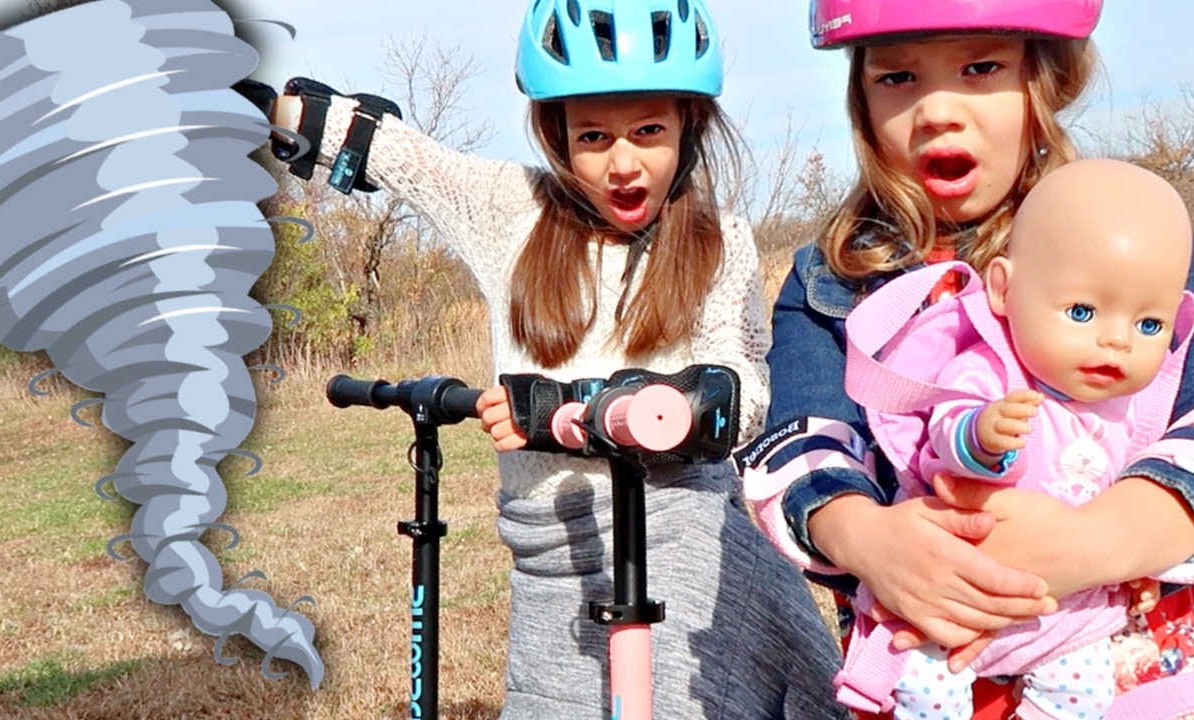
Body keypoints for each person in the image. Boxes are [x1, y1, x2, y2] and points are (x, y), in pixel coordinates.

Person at [269, 0, 846, 717]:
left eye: (649, 131)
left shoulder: (716, 240)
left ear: (689, 127)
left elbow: (741, 396)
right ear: (557, 135)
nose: (624, 163)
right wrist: (260, 103)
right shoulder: (512, 213)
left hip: (682, 541)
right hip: (549, 556)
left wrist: (573, 409)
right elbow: (397, 153)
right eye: (594, 136)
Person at [745, 0, 1194, 715]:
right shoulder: (831, 280)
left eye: (981, 68)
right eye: (897, 78)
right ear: (859, 96)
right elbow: (800, 443)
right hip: (927, 669)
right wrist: (867, 538)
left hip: (1128, 668)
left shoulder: (1126, 237)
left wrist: (1098, 539)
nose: (937, 111)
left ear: (1045, 82)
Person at [835, 158, 1194, 719]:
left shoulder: (1130, 408)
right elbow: (941, 439)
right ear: (1003, 290)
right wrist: (982, 435)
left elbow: (1131, 486)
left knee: (1083, 691)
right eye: (1082, 311)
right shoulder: (989, 371)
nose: (1117, 341)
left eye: (1149, 325)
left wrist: (1138, 569)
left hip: (1066, 614)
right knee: (927, 690)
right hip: (953, 605)